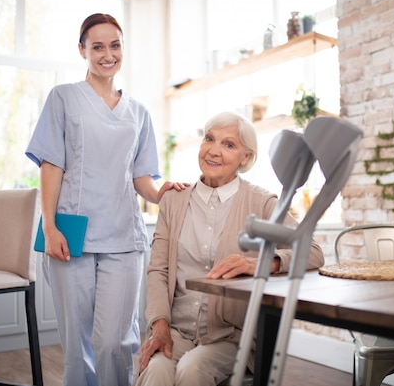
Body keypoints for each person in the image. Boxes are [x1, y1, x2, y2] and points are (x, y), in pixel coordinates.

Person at [25, 13, 185, 386]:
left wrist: (164, 192)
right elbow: (52, 166)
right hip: (70, 234)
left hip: (123, 237)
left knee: (115, 341)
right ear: (83, 50)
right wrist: (48, 226)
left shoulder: (139, 113)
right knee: (77, 345)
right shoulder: (63, 98)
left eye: (115, 45)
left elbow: (143, 179)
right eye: (97, 46)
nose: (107, 54)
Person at [134, 112, 325, 386]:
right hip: (175, 331)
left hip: (230, 336)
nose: (214, 151)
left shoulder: (262, 202)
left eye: (229, 145)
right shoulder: (173, 201)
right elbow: (158, 271)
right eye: (209, 139)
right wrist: (159, 325)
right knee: (155, 371)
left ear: (245, 158)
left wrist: (263, 262)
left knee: (191, 370)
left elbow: (313, 251)